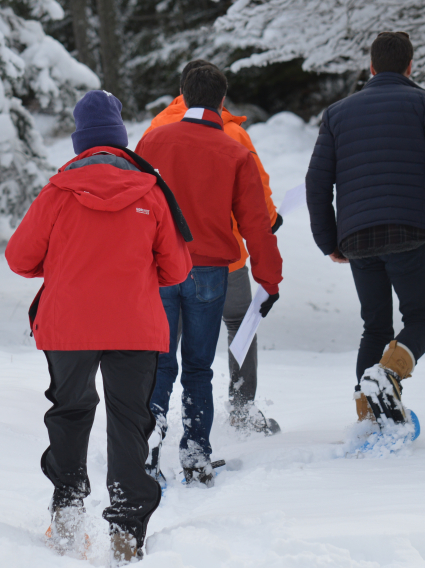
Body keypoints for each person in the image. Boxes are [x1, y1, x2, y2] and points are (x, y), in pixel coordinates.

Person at [5, 90, 192, 563]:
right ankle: (127, 530)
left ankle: (68, 512)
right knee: (130, 423)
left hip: (68, 327)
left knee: (70, 412)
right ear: (121, 139)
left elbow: (19, 258)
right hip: (135, 327)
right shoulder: (151, 191)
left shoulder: (57, 192)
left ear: (80, 143)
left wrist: (65, 264)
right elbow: (177, 269)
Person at [305, 32, 425, 425]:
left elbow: (317, 183)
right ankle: (388, 375)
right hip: (410, 231)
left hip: (357, 237)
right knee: (421, 321)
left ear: (370, 68)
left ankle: (368, 417)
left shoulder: (336, 114)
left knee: (375, 327)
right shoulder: (423, 104)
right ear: (410, 66)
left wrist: (328, 240)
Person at [135, 63, 283, 485]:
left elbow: (134, 205)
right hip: (210, 271)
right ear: (223, 101)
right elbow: (257, 224)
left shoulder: (152, 141)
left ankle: (147, 449)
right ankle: (196, 455)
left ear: (181, 93)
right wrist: (270, 280)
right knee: (198, 368)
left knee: (160, 364)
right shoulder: (234, 151)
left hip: (162, 267)